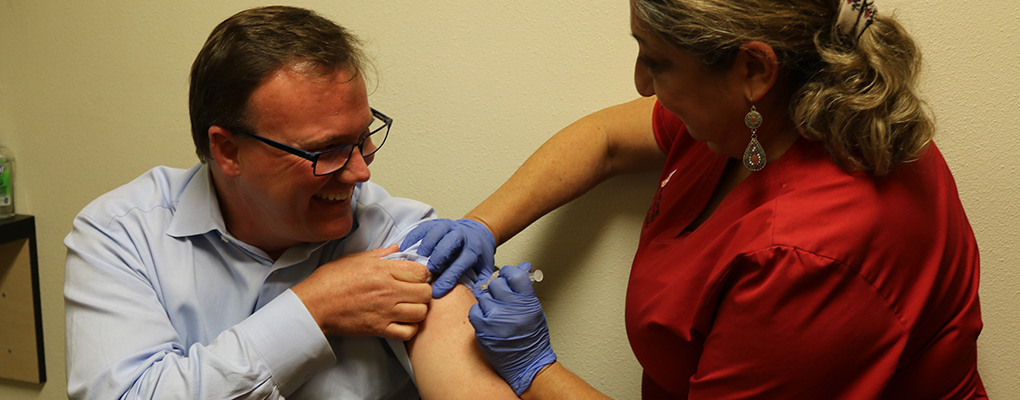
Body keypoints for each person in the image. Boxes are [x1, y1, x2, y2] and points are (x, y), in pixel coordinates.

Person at [404, 0, 986, 398]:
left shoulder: (808, 253)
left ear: (754, 68)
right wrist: (482, 225)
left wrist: (535, 369)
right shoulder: (762, 116)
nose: (639, 81)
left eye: (656, 60)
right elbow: (604, 141)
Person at [63, 6, 516, 399]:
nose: (361, 172)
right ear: (228, 151)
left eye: (363, 138)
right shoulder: (120, 235)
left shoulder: (401, 236)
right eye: (325, 151)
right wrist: (310, 309)